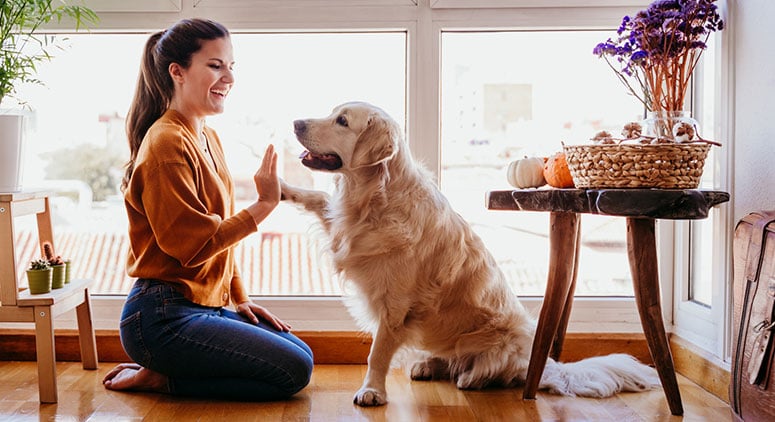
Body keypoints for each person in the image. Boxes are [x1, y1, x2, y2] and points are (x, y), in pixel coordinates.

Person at [102, 18, 313, 401]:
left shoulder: (206, 136)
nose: (228, 77)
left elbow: (218, 238)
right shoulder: (166, 143)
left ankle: (166, 371)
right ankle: (162, 378)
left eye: (231, 66)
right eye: (215, 65)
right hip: (160, 316)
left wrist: (239, 296)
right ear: (177, 72)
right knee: (293, 371)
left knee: (302, 354)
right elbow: (193, 246)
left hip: (203, 305)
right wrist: (265, 204)